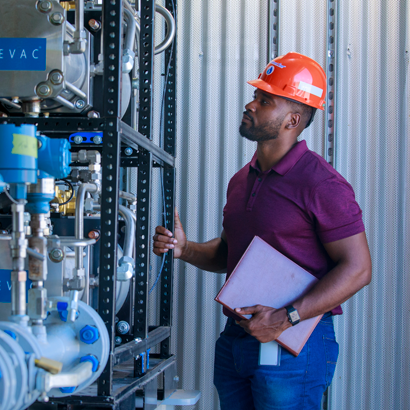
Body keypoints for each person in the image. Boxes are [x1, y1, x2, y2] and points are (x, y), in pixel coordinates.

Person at [153, 52, 372, 410]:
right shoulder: (242, 179)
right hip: (237, 340)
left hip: (292, 343)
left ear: (293, 119)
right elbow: (229, 253)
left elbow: (358, 268)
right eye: (256, 95)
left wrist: (287, 318)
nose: (250, 104)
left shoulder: (322, 184)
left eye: (264, 100)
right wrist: (185, 248)